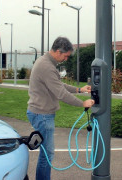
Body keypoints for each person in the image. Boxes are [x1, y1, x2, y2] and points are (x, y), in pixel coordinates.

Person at [27, 37, 95, 180]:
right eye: (65, 56)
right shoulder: (46, 66)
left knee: (46, 153)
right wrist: (82, 103)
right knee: (48, 154)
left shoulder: (46, 63)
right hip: (42, 114)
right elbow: (61, 93)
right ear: (58, 52)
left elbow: (58, 85)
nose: (65, 59)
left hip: (40, 113)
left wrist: (79, 89)